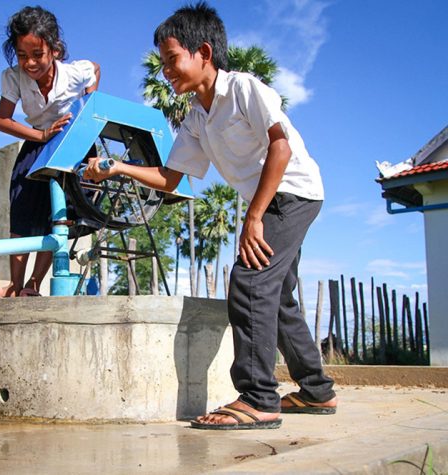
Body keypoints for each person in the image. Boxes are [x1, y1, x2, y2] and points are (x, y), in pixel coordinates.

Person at [84, 2, 336, 430]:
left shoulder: (243, 89)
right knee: (278, 295)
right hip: (271, 200)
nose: (166, 71)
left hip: (293, 192)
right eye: (162, 63)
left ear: (203, 52)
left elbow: (281, 146)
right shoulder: (197, 119)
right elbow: (170, 178)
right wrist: (119, 168)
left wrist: (253, 218)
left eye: (172, 59)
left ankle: (258, 398)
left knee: (250, 281)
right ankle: (316, 391)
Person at [0, 5, 100, 299]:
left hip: (71, 148)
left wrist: (87, 107)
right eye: (22, 55)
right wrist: (41, 135)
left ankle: (33, 284)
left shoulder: (72, 73)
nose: (29, 63)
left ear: (54, 49)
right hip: (36, 144)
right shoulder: (13, 77)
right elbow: (3, 120)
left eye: (37, 54)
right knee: (22, 214)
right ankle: (15, 285)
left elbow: (95, 68)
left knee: (55, 218)